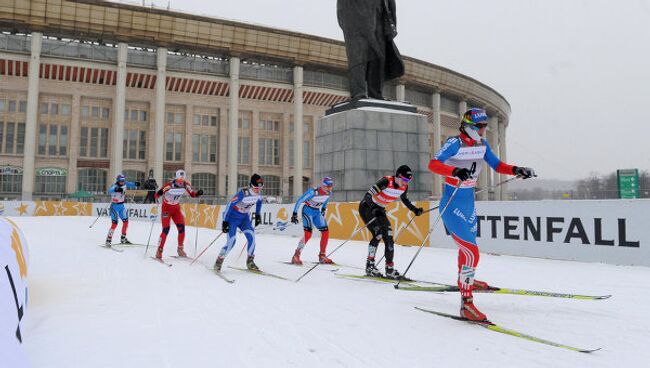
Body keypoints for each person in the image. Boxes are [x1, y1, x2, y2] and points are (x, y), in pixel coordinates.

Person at [428, 108, 535, 322]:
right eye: (481, 126)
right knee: (472, 252)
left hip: (468, 202)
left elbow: (497, 165)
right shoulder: (455, 143)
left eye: (485, 125)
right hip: (452, 202)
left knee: (468, 249)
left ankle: (468, 279)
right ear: (468, 126)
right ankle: (466, 305)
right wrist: (455, 171)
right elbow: (433, 164)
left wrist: (517, 169)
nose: (484, 129)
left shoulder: (482, 145)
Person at [359, 165, 423, 279]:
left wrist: (415, 210)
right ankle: (370, 266)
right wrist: (373, 208)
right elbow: (368, 195)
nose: (406, 183)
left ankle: (389, 269)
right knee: (378, 234)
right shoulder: (385, 181)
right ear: (398, 176)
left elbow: (405, 200)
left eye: (409, 180)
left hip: (380, 210)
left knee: (389, 237)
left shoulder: (404, 187)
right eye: (404, 180)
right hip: (367, 207)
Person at [336, 0, 404, 100]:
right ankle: (359, 92)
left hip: (379, 12)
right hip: (355, 13)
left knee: (378, 55)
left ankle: (376, 93)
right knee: (357, 54)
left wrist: (391, 21)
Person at [214, 174, 264, 272]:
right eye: (256, 187)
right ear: (251, 185)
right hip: (232, 218)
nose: (258, 190)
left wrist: (257, 215)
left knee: (252, 238)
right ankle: (219, 260)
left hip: (244, 219)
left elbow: (259, 202)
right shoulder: (243, 193)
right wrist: (225, 221)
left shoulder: (258, 195)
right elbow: (230, 205)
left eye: (260, 187)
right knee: (232, 241)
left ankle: (250, 261)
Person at [154, 169, 203, 259]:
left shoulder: (186, 185)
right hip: (166, 209)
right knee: (166, 229)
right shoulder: (169, 186)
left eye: (182, 180)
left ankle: (180, 249)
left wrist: (198, 194)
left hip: (176, 209)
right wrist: (157, 197)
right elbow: (157, 194)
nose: (181, 183)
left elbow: (192, 194)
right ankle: (159, 250)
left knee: (181, 228)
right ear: (176, 179)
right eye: (179, 180)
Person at [290, 177, 334, 265]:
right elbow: (300, 200)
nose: (329, 188)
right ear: (323, 186)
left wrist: (324, 209)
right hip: (308, 211)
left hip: (317, 212)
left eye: (331, 186)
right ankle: (296, 255)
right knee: (308, 234)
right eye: (327, 186)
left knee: (325, 232)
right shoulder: (313, 192)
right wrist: (294, 214)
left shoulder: (329, 193)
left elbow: (325, 200)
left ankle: (322, 255)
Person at [105, 174, 140, 246]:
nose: (123, 182)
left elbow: (131, 184)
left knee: (126, 222)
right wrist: (116, 189)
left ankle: (123, 238)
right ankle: (108, 240)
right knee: (114, 224)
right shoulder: (115, 186)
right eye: (121, 181)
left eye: (123, 181)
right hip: (114, 207)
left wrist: (136, 184)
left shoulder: (125, 183)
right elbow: (110, 190)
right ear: (118, 181)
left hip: (121, 206)